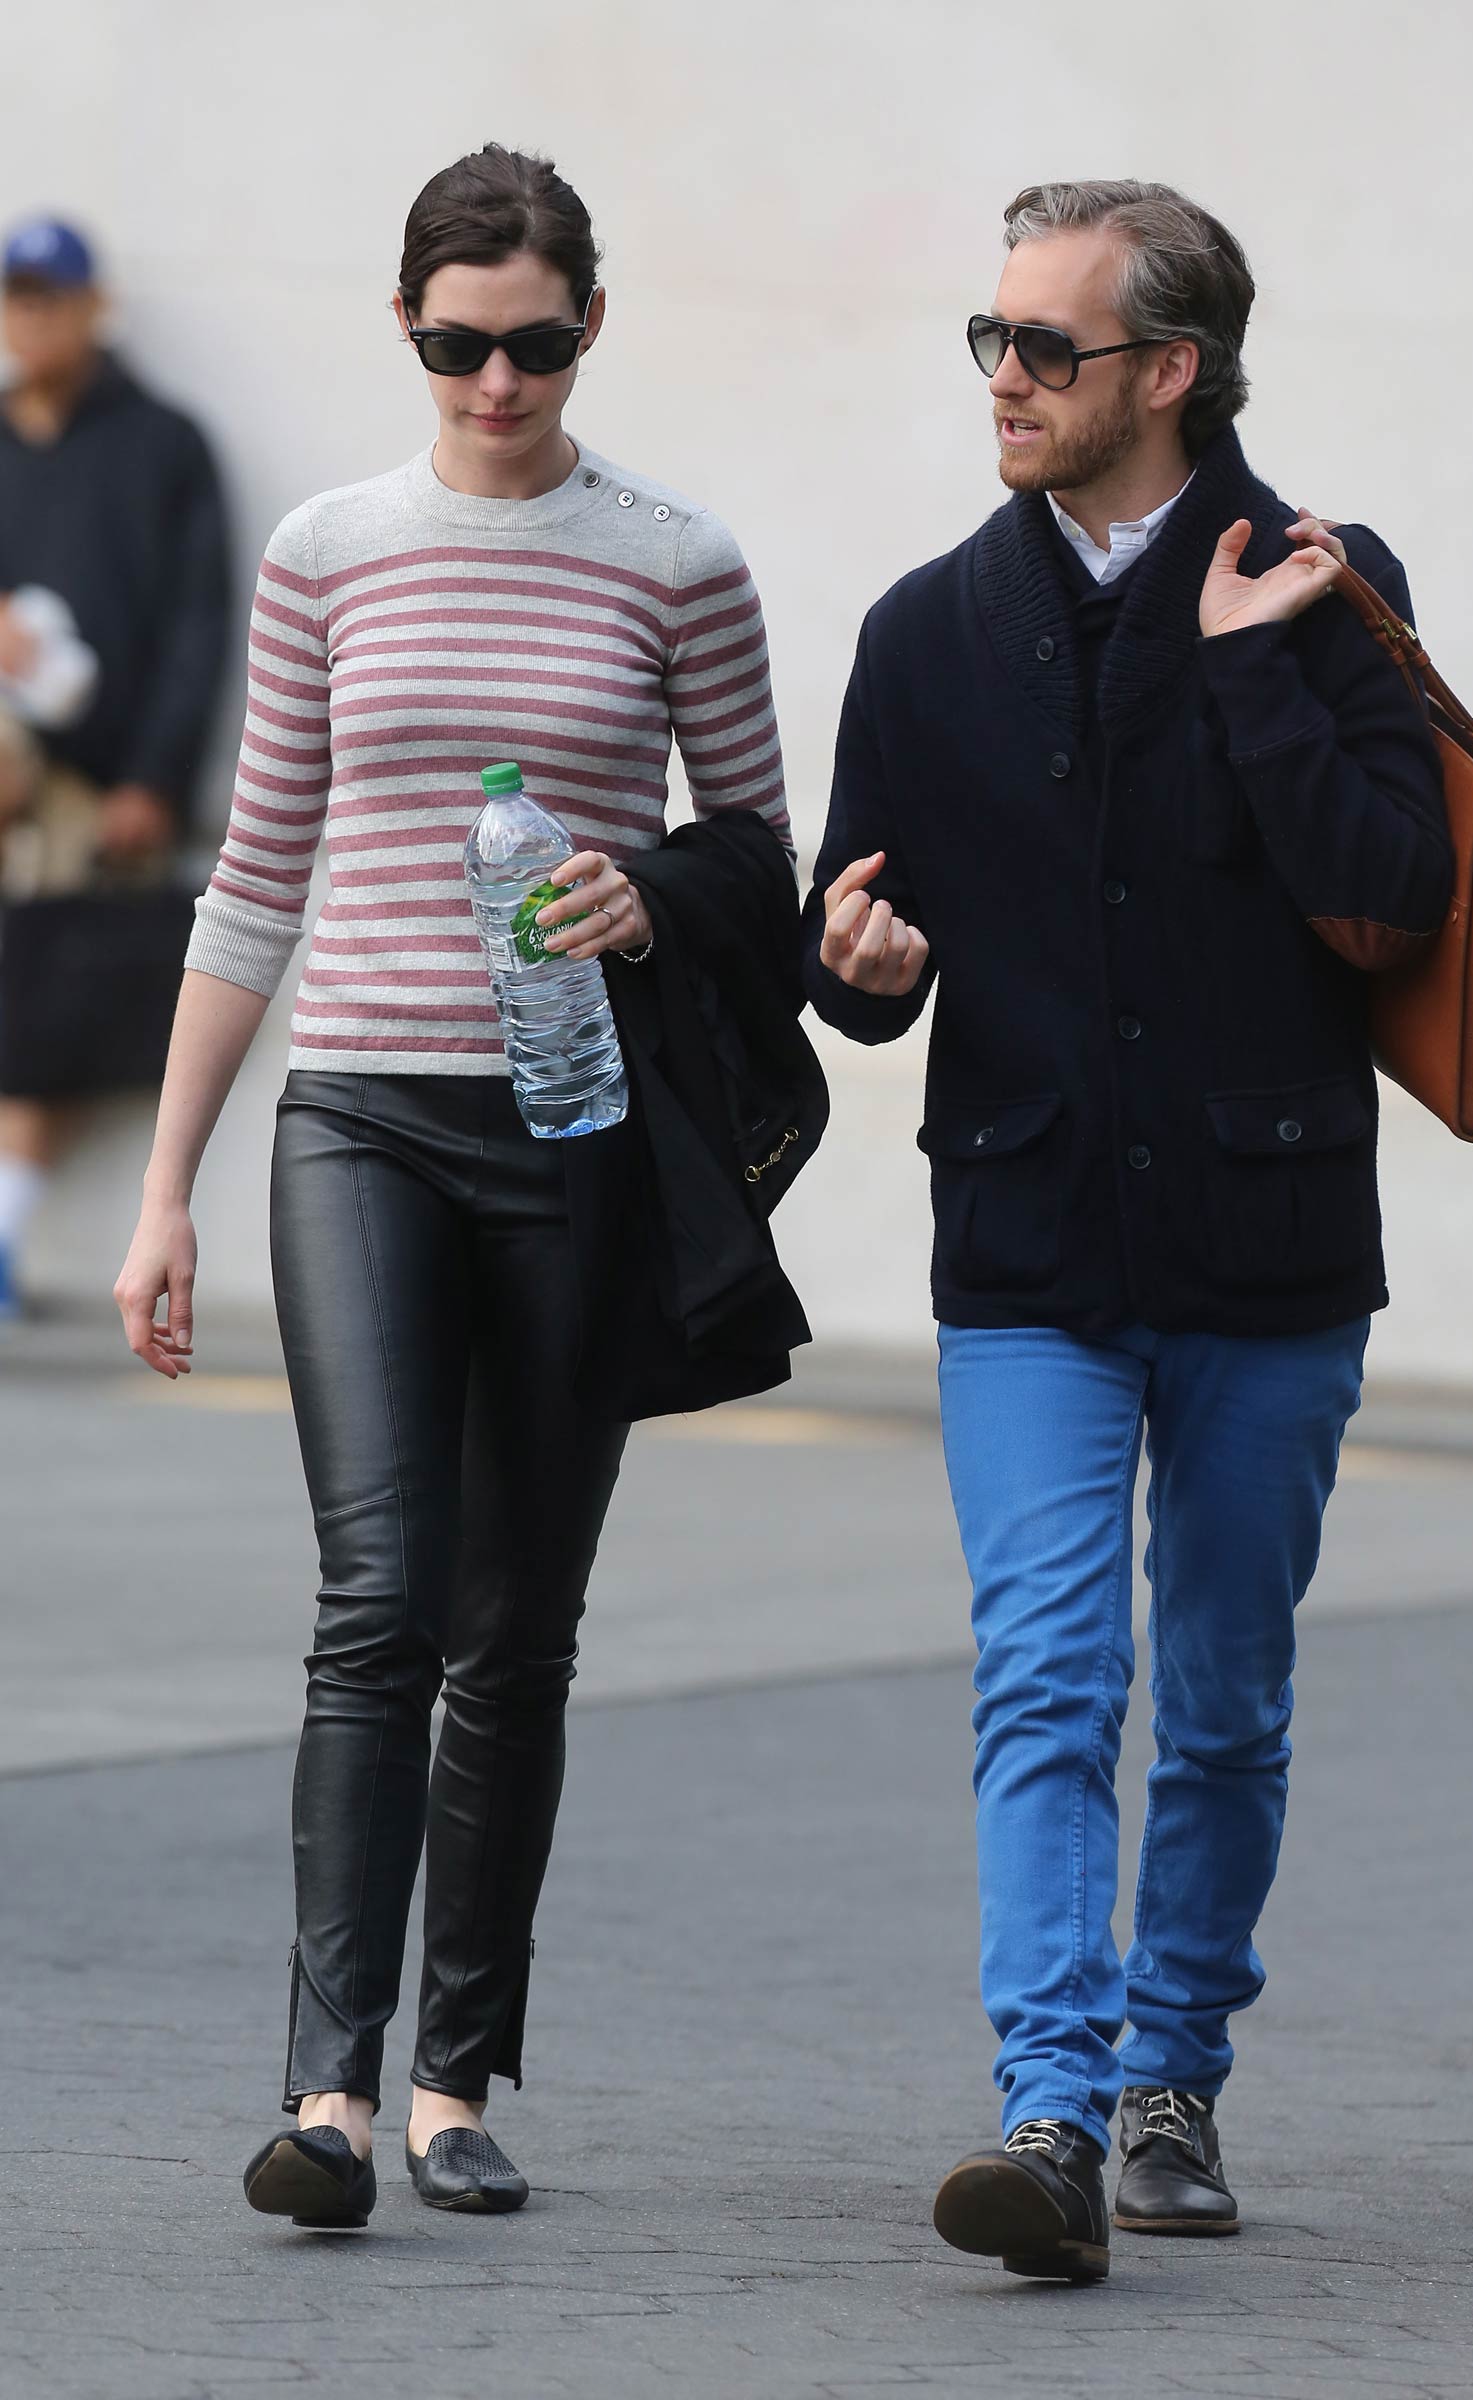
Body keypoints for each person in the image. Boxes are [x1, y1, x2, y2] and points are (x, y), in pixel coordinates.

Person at [113, 143, 800, 2229]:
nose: (490, 382)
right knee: (378, 1601)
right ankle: (324, 2094)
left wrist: (643, 891)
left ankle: (455, 2078)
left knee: (514, 1625)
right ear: (404, 329)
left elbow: (756, 868)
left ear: (587, 323)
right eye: (448, 344)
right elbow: (255, 877)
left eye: (525, 343)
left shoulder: (675, 560)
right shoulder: (332, 549)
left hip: (576, 1136)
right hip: (365, 1121)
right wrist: (165, 1191)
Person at [802, 179, 1450, 2280]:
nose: (1001, 378)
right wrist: (865, 964)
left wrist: (1256, 675)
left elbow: (1395, 895)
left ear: (1165, 373)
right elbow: (857, 931)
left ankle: (1174, 2075)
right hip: (1026, 1250)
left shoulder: (1324, 590)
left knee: (1230, 1695)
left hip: (1266, 1240)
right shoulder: (922, 629)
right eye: (985, 339)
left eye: (1041, 349)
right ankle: (1054, 2113)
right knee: (1050, 1677)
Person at [0, 217, 229, 1313]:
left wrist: (152, 777)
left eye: (50, 296)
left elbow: (199, 624)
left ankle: (2, 1235)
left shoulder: (162, 445)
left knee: (49, 997)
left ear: (95, 305)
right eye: (16, 296)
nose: (30, 318)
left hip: (95, 793)